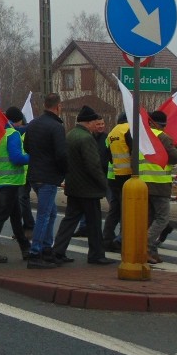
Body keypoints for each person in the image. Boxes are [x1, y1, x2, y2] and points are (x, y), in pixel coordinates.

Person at [51, 106, 113, 265]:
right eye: (95, 122)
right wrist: (103, 184)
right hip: (89, 189)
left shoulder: (71, 134)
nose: (96, 124)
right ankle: (96, 255)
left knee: (69, 221)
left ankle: (57, 251)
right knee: (94, 223)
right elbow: (93, 165)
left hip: (74, 186)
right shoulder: (86, 138)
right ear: (89, 122)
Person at [0, 106, 31, 263]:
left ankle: (25, 248)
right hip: (11, 180)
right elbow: (17, 158)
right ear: (18, 120)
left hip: (1, 179)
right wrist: (32, 156)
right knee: (1, 215)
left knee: (16, 216)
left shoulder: (0, 133)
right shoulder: (13, 134)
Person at [24, 93, 67, 269]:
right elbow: (61, 154)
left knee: (50, 213)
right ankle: (36, 252)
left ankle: (47, 249)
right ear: (58, 107)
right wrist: (65, 172)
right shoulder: (56, 127)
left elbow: (26, 147)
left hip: (34, 174)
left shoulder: (33, 124)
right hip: (48, 176)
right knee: (44, 215)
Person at [141, 110, 177, 265]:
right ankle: (144, 246)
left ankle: (151, 251)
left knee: (150, 218)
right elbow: (173, 157)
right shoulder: (162, 137)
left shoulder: (141, 136)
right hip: (158, 183)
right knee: (162, 219)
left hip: (142, 183)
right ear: (162, 125)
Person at [102, 112, 130, 252]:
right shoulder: (128, 130)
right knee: (126, 211)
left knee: (114, 210)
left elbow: (108, 156)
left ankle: (107, 237)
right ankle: (122, 239)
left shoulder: (111, 133)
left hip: (112, 176)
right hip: (126, 176)